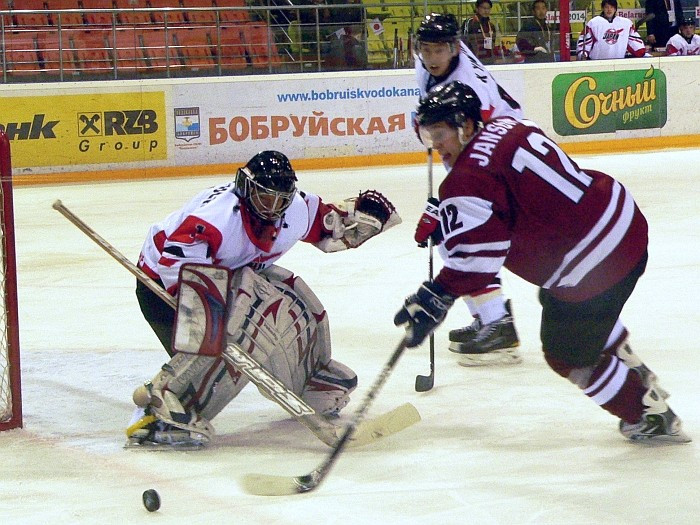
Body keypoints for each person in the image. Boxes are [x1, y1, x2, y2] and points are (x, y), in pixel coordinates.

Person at [394, 81, 691, 443]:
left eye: (439, 133)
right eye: (427, 135)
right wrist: (458, 221)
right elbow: (518, 195)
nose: (434, 145)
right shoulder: (510, 126)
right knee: (559, 302)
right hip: (624, 221)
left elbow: (480, 260)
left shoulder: (464, 181)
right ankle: (619, 355)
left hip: (594, 265)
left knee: (565, 354)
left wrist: (436, 293)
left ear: (467, 126)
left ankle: (648, 415)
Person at [128, 150, 401, 447]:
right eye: (265, 198)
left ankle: (306, 379)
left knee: (286, 299)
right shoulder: (215, 220)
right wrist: (222, 330)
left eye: (280, 200)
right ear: (246, 188)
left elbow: (331, 227)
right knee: (237, 330)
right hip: (164, 288)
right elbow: (178, 272)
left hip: (230, 276)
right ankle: (159, 406)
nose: (273, 208)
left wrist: (363, 218)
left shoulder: (294, 209)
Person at [414, 12, 523, 366]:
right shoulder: (428, 65)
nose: (431, 58)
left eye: (438, 50)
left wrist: (443, 203)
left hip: (501, 155)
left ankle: (497, 322)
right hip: (475, 150)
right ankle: (490, 316)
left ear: (455, 48)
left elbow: (481, 144)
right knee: (452, 235)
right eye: (425, 49)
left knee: (461, 234)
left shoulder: (471, 89)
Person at [577, 0, 646, 60]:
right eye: (606, 7)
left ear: (615, 9)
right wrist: (583, 54)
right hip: (597, 63)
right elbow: (584, 43)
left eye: (612, 7)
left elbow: (635, 42)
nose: (609, 10)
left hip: (618, 63)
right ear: (602, 8)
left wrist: (640, 51)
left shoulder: (625, 23)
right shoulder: (593, 23)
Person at [462, 0, 505, 65]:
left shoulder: (491, 25)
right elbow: (463, 41)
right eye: (484, 8)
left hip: (488, 61)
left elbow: (492, 43)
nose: (486, 11)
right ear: (477, 9)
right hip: (473, 61)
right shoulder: (470, 23)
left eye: (488, 8)